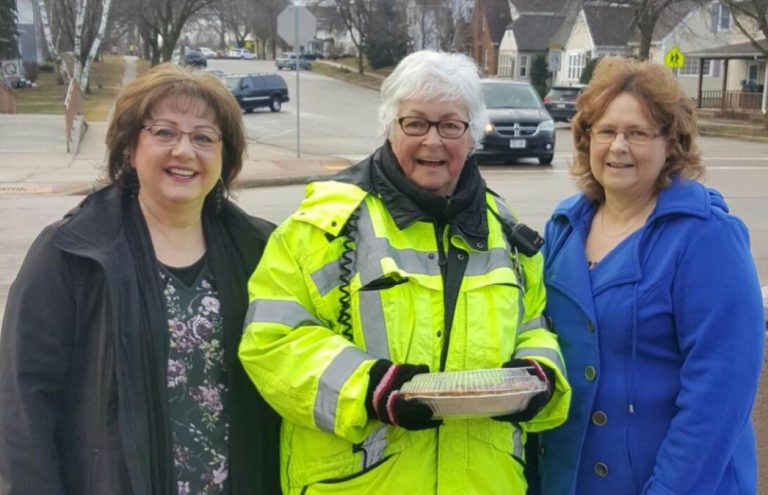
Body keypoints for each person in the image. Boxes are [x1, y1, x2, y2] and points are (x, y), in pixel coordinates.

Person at [238, 50, 571, 494]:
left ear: (472, 135)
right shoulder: (325, 227)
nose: (433, 141)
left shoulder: (506, 232)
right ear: (389, 127)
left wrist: (539, 374)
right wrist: (372, 387)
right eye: (415, 123)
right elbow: (272, 341)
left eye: (451, 125)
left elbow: (534, 325)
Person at [0, 63, 281, 494]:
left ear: (225, 157)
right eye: (164, 132)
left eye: (204, 138)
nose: (184, 151)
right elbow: (22, 404)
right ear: (131, 148)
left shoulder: (259, 249)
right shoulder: (71, 253)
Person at [536, 56, 765, 494]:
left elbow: (718, 396)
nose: (618, 146)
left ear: (671, 143)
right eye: (605, 131)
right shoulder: (564, 229)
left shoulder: (706, 238)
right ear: (586, 140)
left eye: (637, 133)